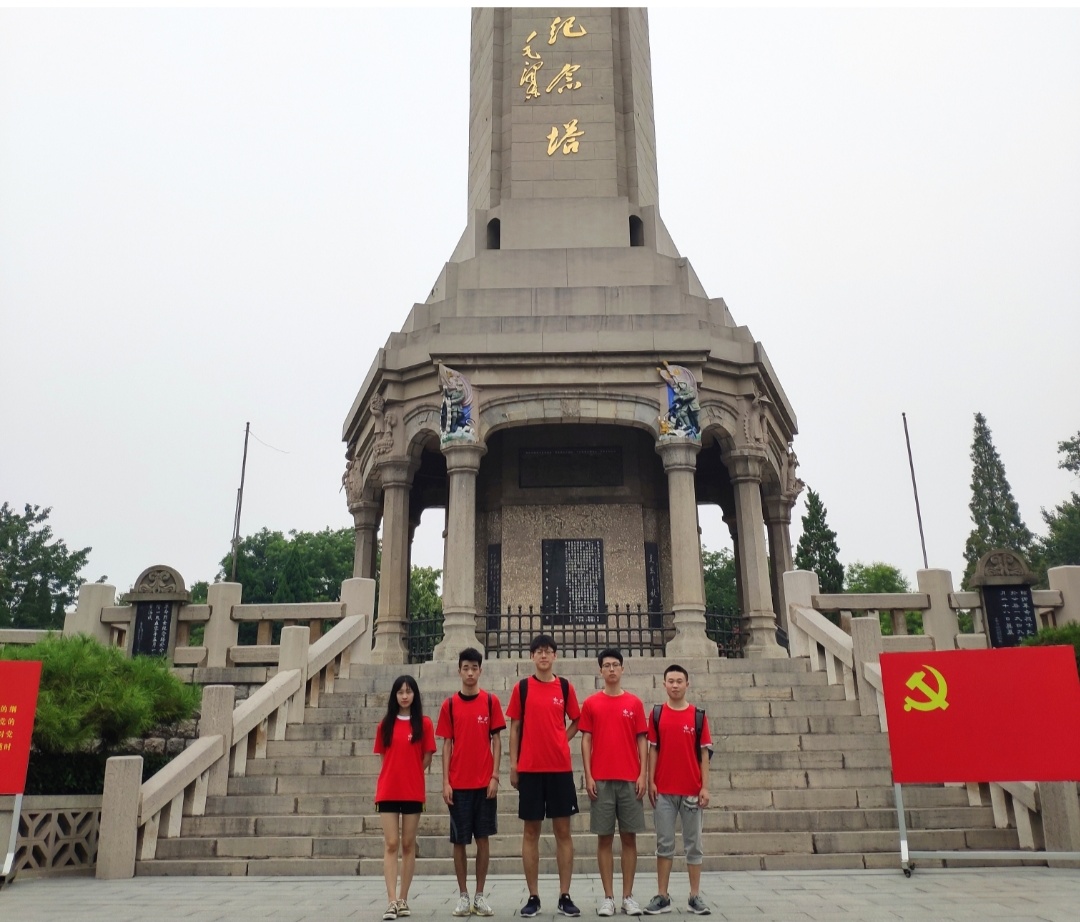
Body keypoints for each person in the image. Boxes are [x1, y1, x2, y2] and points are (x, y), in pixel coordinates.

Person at [507, 634, 582, 918]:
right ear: (531, 656)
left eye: (548, 651)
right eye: (538, 651)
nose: (543, 655)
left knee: (563, 831)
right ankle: (533, 896)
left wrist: (562, 739)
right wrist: (513, 764)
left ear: (555, 655)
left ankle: (565, 895)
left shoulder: (564, 687)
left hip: (559, 769)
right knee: (531, 832)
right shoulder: (522, 688)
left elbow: (577, 719)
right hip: (530, 769)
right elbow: (515, 728)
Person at [436, 647, 507, 917]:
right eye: (465, 668)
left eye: (474, 668)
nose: (469, 673)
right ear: (459, 671)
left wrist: (495, 776)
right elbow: (446, 745)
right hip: (459, 784)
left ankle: (479, 894)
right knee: (459, 841)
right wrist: (445, 781)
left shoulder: (490, 701)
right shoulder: (450, 705)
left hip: (484, 784)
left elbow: (497, 741)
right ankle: (463, 895)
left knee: (483, 839)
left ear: (480, 671)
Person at [579, 648, 647, 917]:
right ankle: (608, 897)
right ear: (600, 670)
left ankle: (628, 896)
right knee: (604, 838)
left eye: (615, 665)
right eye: (606, 665)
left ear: (622, 669)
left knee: (629, 838)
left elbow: (642, 739)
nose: (611, 669)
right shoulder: (591, 703)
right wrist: (588, 775)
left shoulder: (634, 703)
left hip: (630, 779)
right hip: (602, 779)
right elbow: (586, 740)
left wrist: (643, 774)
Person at [645, 664, 713, 916]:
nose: (675, 685)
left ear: (687, 684)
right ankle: (662, 896)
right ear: (664, 684)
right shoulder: (657, 714)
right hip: (664, 790)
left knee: (694, 845)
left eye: (679, 681)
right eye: (671, 681)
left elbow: (704, 754)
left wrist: (705, 786)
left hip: (691, 790)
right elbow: (653, 749)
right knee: (664, 844)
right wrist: (651, 781)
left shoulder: (698, 716)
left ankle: (694, 896)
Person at [374, 674, 437, 921]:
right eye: (400, 692)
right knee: (391, 843)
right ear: (394, 696)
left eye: (408, 691)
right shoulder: (385, 725)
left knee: (408, 844)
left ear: (415, 695)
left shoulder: (424, 724)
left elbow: (427, 757)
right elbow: (384, 758)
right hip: (388, 791)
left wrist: (411, 774)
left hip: (413, 791)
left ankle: (403, 899)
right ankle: (391, 900)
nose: (404, 696)